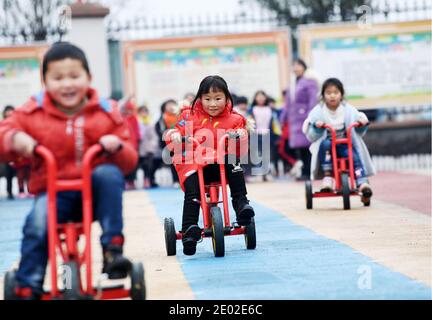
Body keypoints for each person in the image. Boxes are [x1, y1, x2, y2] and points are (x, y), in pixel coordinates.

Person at [0, 42, 138, 299]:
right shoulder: (32, 112)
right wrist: (15, 139)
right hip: (53, 194)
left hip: (94, 196)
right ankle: (28, 282)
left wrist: (116, 146)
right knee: (37, 223)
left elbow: (130, 161)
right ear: (45, 82)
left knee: (108, 174)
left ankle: (112, 250)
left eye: (74, 76)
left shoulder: (105, 113)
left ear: (88, 77)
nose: (67, 84)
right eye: (57, 78)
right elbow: (4, 132)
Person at [167, 75, 255, 256]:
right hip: (196, 165)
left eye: (218, 98)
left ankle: (241, 204)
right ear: (200, 98)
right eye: (207, 99)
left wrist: (241, 134)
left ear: (227, 98)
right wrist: (175, 135)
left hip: (221, 165)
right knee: (193, 193)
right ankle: (189, 229)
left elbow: (241, 149)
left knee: (234, 162)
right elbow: (175, 133)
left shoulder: (235, 119)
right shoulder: (189, 116)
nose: (213, 104)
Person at [302, 78, 375, 196]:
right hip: (328, 146)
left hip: (345, 143)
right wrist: (317, 127)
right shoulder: (318, 111)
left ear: (341, 95)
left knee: (353, 155)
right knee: (325, 144)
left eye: (335, 92)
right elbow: (311, 134)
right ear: (323, 95)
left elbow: (359, 125)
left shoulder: (349, 110)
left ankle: (361, 181)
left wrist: (361, 123)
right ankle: (328, 178)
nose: (332, 96)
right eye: (328, 93)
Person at [281, 58, 319, 180]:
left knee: (308, 146)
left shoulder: (310, 82)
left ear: (304, 67)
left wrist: (310, 115)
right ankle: (305, 171)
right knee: (300, 147)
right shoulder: (292, 83)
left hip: (305, 118)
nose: (296, 68)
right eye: (294, 65)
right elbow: (287, 104)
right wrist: (283, 117)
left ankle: (310, 172)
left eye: (299, 65)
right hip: (294, 120)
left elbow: (313, 100)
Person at [248, 90, 281, 181]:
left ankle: (267, 173)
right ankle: (258, 174)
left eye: (262, 96)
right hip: (255, 134)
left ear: (265, 98)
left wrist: (277, 135)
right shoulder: (251, 109)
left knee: (267, 155)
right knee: (256, 155)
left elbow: (275, 123)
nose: (260, 99)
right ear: (255, 98)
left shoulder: (270, 109)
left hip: (267, 133)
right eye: (258, 97)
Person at [155, 99, 180, 187]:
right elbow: (159, 131)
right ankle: (175, 180)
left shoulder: (180, 116)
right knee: (173, 162)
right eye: (168, 105)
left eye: (172, 104)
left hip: (180, 142)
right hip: (168, 144)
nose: (170, 106)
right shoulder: (162, 119)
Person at [120, 95, 141, 190]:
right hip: (125, 144)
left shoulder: (134, 119)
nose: (128, 112)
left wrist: (138, 140)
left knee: (134, 164)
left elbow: (137, 131)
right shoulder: (121, 118)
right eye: (126, 110)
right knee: (124, 164)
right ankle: (125, 181)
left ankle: (132, 181)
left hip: (134, 145)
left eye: (130, 110)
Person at [137, 105, 158, 188]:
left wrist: (152, 147)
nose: (143, 113)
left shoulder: (150, 123)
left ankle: (147, 179)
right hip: (138, 148)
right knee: (135, 165)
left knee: (148, 165)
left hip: (148, 149)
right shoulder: (136, 122)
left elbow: (154, 136)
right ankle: (131, 180)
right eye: (141, 111)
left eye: (145, 111)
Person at [2, 106, 17, 199]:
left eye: (11, 111)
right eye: (8, 111)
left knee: (21, 172)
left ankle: (23, 190)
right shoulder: (2, 123)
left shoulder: (17, 122)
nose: (9, 113)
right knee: (8, 173)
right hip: (6, 152)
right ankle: (9, 191)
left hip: (16, 151)